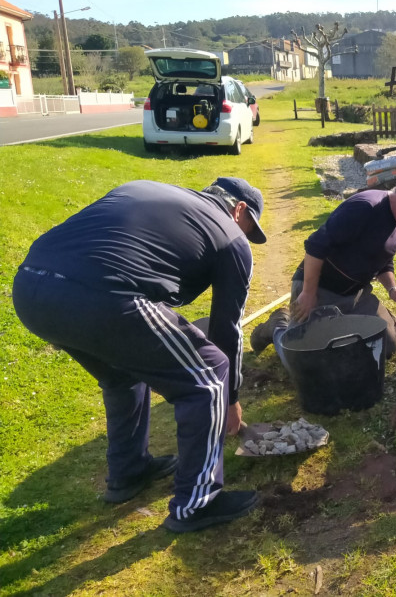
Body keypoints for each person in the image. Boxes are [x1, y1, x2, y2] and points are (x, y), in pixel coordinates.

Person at [12, 177, 266, 534]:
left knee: (121, 372)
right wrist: (232, 399)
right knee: (209, 375)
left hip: (30, 287)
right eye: (249, 226)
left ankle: (129, 472)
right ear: (239, 209)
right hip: (103, 294)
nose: (246, 236)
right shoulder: (231, 236)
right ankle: (198, 502)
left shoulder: (146, 188)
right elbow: (227, 328)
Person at [250, 174, 396, 362]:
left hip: (355, 295)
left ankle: (339, 332)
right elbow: (315, 247)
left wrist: (392, 288)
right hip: (321, 288)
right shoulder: (365, 207)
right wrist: (309, 293)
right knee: (303, 358)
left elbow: (384, 262)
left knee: (389, 345)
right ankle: (278, 325)